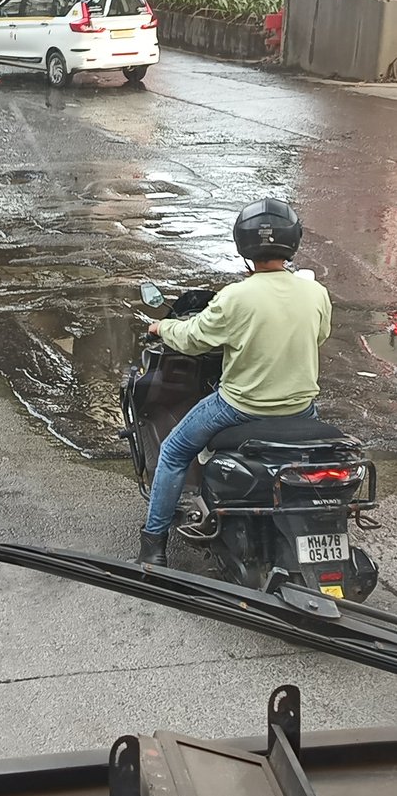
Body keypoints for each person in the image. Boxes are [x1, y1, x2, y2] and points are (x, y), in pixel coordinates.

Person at [137, 198, 332, 565]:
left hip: (241, 408)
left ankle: (153, 546)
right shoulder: (315, 293)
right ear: (293, 243)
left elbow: (194, 337)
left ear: (244, 246)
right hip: (300, 409)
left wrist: (162, 326)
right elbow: (318, 335)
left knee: (175, 451)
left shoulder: (237, 297)